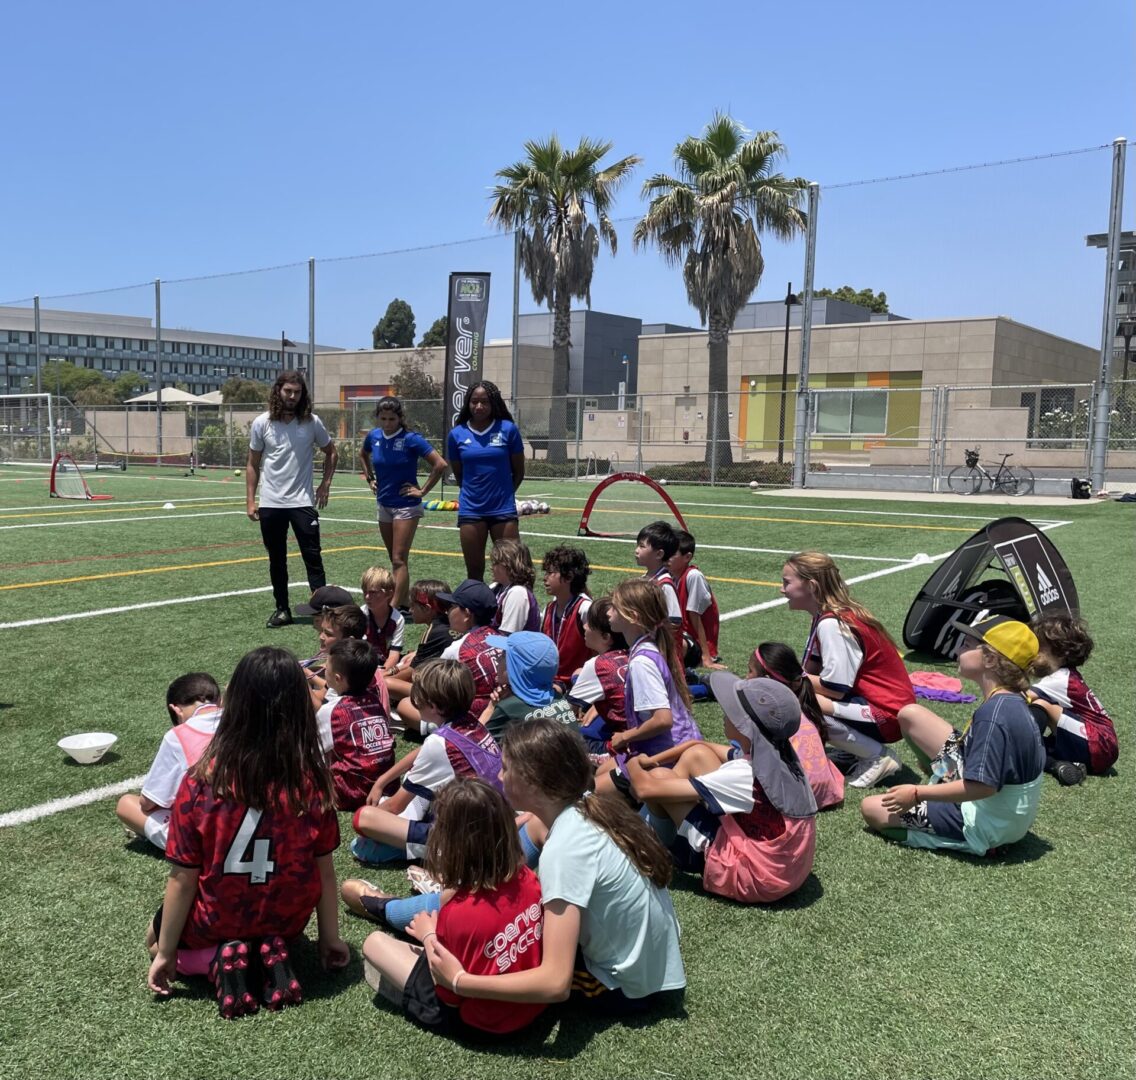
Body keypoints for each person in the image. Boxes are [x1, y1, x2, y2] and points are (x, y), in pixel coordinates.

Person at [422, 718, 686, 1012]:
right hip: (655, 967)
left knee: (510, 950)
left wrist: (460, 980)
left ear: (532, 781)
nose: (499, 774)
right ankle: (397, 906)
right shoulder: (587, 807)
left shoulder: (563, 850)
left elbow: (555, 983)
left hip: (624, 987)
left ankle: (388, 907)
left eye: (506, 768)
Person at [145, 647, 349, 1019]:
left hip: (221, 916)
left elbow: (182, 879)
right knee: (275, 918)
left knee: (153, 935)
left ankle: (216, 961)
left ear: (235, 701)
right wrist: (330, 938)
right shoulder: (312, 781)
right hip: (287, 919)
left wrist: (165, 952)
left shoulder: (202, 780)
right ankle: (268, 953)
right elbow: (325, 870)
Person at [343, 779, 546, 1038]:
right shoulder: (528, 879)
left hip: (481, 1023)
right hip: (534, 1008)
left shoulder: (457, 915)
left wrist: (429, 935)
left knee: (374, 943)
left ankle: (403, 989)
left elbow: (449, 993)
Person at [862, 616, 1045, 857]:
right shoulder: (1011, 699)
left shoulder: (995, 715)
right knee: (911, 715)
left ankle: (972, 842)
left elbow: (982, 787)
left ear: (990, 659)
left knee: (872, 809)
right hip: (1003, 808)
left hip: (987, 821)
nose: (959, 649)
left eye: (968, 644)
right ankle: (943, 790)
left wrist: (917, 793)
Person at [626, 675, 818, 904]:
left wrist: (634, 762)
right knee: (695, 757)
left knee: (658, 779)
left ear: (744, 727)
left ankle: (641, 846)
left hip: (755, 877)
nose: (725, 714)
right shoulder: (778, 756)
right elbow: (699, 747)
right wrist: (654, 759)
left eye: (731, 711)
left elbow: (644, 789)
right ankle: (658, 834)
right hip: (784, 870)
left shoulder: (744, 773)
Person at [781, 551, 945, 789]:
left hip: (886, 714)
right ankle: (857, 750)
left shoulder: (832, 623)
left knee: (800, 700)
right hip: (878, 705)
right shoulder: (827, 617)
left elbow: (835, 688)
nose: (782, 589)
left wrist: (789, 680)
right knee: (796, 692)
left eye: (787, 582)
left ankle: (877, 755)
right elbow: (811, 669)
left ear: (812, 586)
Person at [351, 660, 501, 865]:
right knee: (417, 790)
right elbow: (423, 752)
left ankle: (427, 850)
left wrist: (376, 822)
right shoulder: (471, 723)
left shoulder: (438, 744)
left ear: (433, 706)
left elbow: (395, 807)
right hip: (494, 824)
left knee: (364, 819)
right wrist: (382, 781)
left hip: (467, 840)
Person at [246, 371, 338, 629]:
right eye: (288, 391)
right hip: (271, 504)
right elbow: (252, 464)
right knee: (277, 559)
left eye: (297, 392)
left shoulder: (312, 422)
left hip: (302, 503)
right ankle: (282, 609)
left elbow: (331, 452)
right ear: (278, 391)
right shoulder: (261, 423)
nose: (292, 396)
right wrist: (250, 501)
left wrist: (325, 484)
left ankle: (322, 610)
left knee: (313, 557)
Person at [595, 580, 702, 796]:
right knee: (599, 773)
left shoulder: (641, 662)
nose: (609, 612)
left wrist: (625, 737)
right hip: (671, 748)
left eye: (614, 607)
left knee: (592, 795)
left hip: (666, 757)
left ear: (633, 617)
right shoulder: (647, 649)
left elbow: (663, 720)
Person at [359, 395, 448, 611]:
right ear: (378, 418)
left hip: (406, 506)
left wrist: (423, 491)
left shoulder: (411, 439)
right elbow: (363, 454)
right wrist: (370, 479)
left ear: (400, 418)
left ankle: (392, 608)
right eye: (383, 419)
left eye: (392, 419)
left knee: (398, 559)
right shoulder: (374, 436)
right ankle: (406, 601)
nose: (388, 423)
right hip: (383, 504)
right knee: (395, 558)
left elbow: (440, 464)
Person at [116, 673, 222, 850]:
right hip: (257, 827)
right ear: (218, 700)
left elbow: (148, 802)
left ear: (176, 710)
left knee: (127, 804)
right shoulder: (242, 719)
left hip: (212, 840)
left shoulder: (178, 736)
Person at [749, 642, 844, 811]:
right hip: (826, 792)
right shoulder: (807, 709)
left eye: (750, 672)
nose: (746, 678)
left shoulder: (771, 717)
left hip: (795, 797)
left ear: (768, 681)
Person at [446, 381, 525, 581]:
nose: (479, 406)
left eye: (484, 402)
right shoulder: (456, 435)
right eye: (474, 402)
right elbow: (460, 475)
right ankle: (479, 612)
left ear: (494, 404)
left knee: (513, 570)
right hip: (471, 510)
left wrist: (504, 494)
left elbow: (518, 472)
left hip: (503, 510)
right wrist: (475, 493)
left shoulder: (508, 429)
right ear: (467, 404)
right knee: (474, 572)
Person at [1028, 614, 1118, 785]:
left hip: (1100, 744)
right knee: (1033, 751)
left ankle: (1024, 746)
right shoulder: (1067, 676)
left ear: (1061, 653)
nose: (1034, 651)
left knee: (1040, 704)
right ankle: (1057, 766)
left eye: (1040, 646)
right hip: (1097, 749)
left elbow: (1017, 698)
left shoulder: (1061, 678)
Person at [323, 638, 396, 811]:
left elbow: (312, 750)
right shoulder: (375, 701)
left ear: (338, 678)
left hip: (350, 795)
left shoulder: (332, 711)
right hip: (387, 787)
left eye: (326, 669)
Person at [480, 631, 577, 741]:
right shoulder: (558, 698)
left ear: (516, 668)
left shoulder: (508, 709)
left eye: (503, 655)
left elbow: (473, 744)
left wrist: (491, 707)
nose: (497, 660)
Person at [567, 598, 630, 754]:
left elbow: (566, 713)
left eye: (590, 624)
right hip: (642, 734)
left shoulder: (597, 665)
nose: (584, 626)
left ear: (605, 637)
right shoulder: (633, 652)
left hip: (623, 745)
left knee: (566, 742)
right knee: (577, 675)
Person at [383, 580, 454, 706]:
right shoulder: (451, 624)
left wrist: (381, 680)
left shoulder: (433, 631)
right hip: (454, 684)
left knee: (386, 685)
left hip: (444, 694)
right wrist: (390, 671)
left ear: (427, 609)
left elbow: (412, 672)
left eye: (413, 606)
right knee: (410, 657)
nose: (410, 610)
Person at [669, 529, 726, 670]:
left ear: (687, 557)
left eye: (672, 553)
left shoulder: (693, 576)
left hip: (693, 643)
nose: (666, 556)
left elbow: (695, 616)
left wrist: (707, 657)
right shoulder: (670, 576)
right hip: (682, 635)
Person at [539, 546, 594, 691]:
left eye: (550, 573)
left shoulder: (585, 608)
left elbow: (600, 651)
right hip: (550, 680)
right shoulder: (549, 608)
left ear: (569, 577)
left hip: (577, 683)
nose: (545, 578)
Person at [634, 521, 683, 642]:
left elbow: (674, 622)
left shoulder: (664, 585)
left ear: (659, 554)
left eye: (642, 546)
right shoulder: (644, 578)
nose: (636, 550)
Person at [359, 566, 406, 675]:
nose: (367, 596)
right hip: (363, 664)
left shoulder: (397, 619)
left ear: (389, 594)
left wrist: (382, 673)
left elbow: (394, 654)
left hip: (386, 666)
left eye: (373, 592)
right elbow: (356, 650)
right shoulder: (360, 615)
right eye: (365, 591)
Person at [489, 538, 540, 633]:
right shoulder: (496, 587)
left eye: (496, 563)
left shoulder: (517, 593)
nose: (491, 567)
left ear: (508, 566)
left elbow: (507, 637)